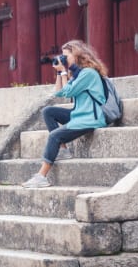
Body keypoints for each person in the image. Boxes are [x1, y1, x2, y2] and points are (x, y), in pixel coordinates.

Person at [21, 40, 109, 188]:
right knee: (48, 111)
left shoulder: (88, 73)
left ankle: (41, 177)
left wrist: (63, 72)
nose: (63, 58)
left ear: (76, 54)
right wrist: (59, 72)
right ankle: (63, 149)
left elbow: (69, 91)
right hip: (80, 114)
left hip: (90, 118)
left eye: (66, 55)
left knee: (54, 135)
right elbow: (59, 93)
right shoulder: (78, 73)